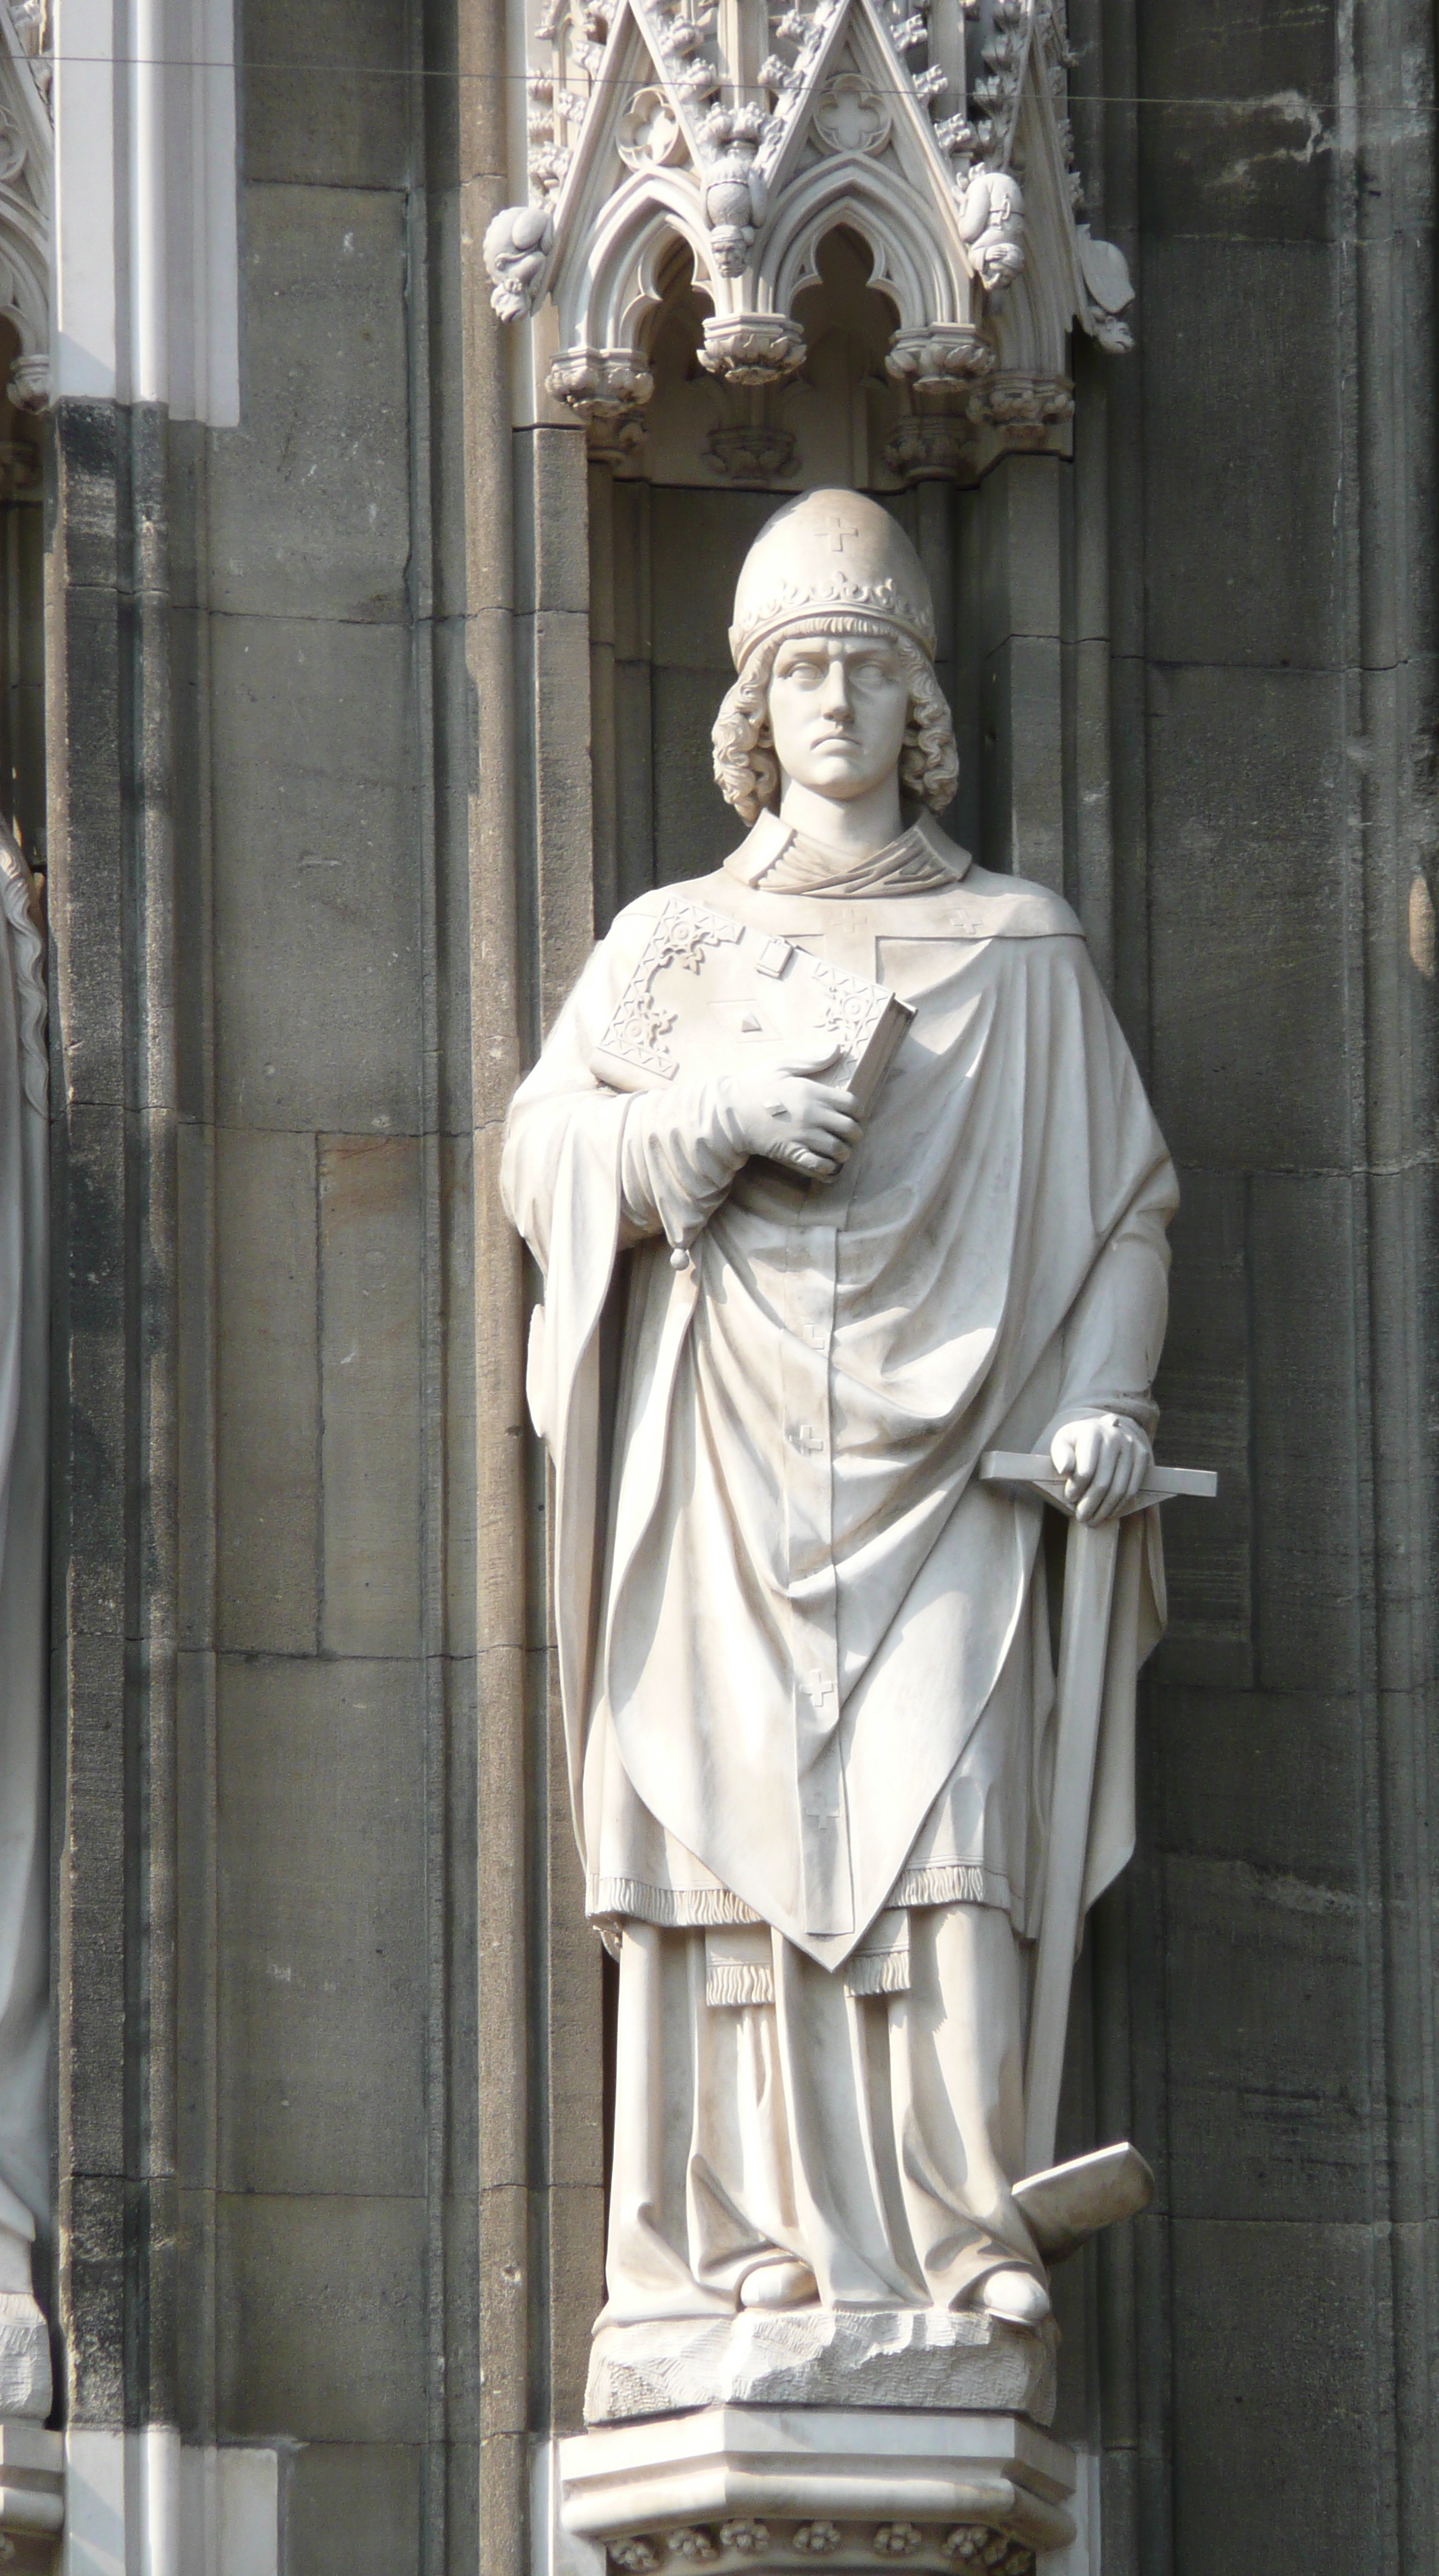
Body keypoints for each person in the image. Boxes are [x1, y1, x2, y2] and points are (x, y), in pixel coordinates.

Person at [501, 491, 1176, 2409]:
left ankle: (961, 2240)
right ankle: (727, 2256)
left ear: (923, 707)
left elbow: (1128, 1205)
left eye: (872, 669)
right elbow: (539, 1159)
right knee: (721, 1848)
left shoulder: (1017, 953)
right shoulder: (671, 951)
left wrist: (1112, 1405)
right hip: (720, 1470)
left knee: (947, 1842)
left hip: (954, 1483)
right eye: (802, 668)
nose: (836, 702)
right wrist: (702, 1123)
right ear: (748, 704)